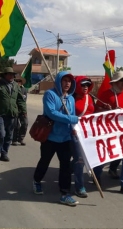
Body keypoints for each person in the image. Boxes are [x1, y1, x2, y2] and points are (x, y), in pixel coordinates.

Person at [32, 71, 80, 206]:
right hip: (50, 137)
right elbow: (52, 113)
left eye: (69, 81)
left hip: (65, 138)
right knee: (45, 161)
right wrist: (72, 119)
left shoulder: (71, 98)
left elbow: (73, 114)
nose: (67, 83)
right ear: (59, 81)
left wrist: (74, 129)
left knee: (65, 166)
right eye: (64, 80)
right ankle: (37, 180)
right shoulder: (50, 95)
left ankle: (65, 194)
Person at [94, 71, 123, 196]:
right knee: (104, 156)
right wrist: (109, 110)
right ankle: (96, 176)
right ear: (115, 82)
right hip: (108, 131)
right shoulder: (105, 94)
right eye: (122, 81)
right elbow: (97, 111)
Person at [72, 76, 95, 198]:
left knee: (89, 157)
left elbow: (94, 114)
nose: (85, 87)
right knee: (80, 159)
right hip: (76, 132)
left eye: (87, 84)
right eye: (82, 84)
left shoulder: (90, 98)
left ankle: (72, 168)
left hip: (88, 132)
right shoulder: (72, 98)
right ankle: (79, 186)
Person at [12, 76, 29, 146]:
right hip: (14, 109)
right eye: (17, 81)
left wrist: (24, 110)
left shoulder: (24, 89)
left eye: (19, 81)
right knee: (16, 126)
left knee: (25, 123)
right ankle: (14, 139)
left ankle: (21, 138)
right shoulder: (13, 89)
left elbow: (24, 100)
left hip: (22, 109)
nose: (18, 82)